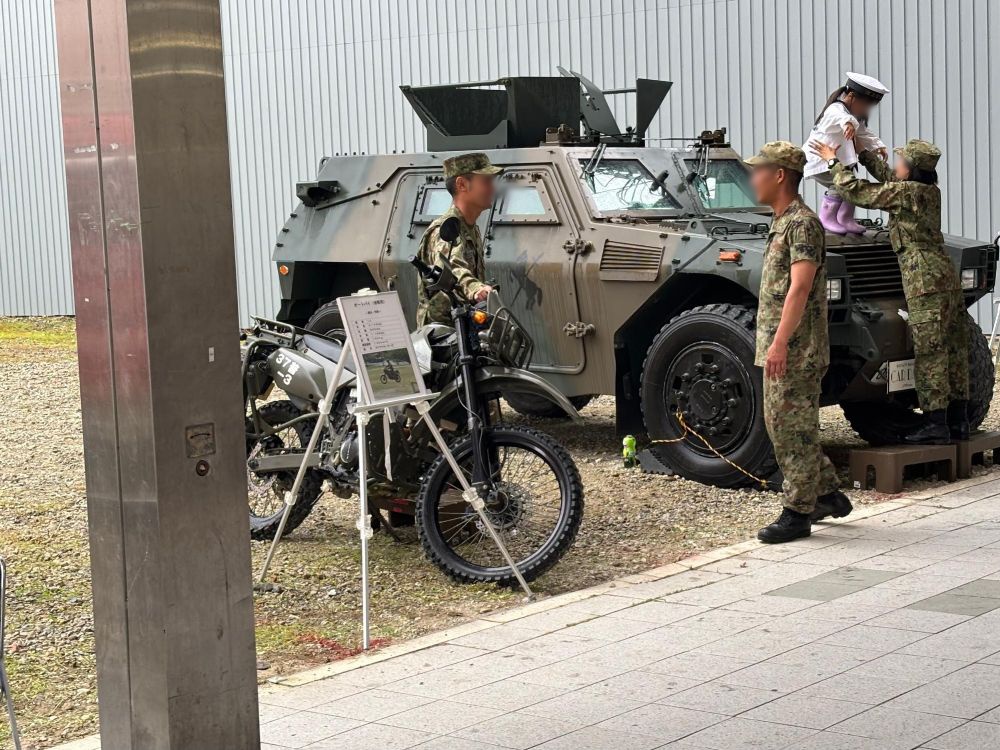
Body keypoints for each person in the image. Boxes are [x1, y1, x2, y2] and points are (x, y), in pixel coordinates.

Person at [810, 137, 969, 443]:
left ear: (909, 169)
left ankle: (935, 424)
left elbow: (858, 192)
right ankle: (958, 421)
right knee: (954, 346)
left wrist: (832, 161)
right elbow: (890, 179)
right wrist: (864, 152)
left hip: (924, 279)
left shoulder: (906, 193)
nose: (896, 165)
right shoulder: (927, 190)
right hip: (944, 275)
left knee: (931, 350)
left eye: (900, 161)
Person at [746, 141, 853, 544]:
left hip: (795, 349)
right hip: (785, 346)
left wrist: (780, 344)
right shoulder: (783, 221)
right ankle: (826, 494)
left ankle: (797, 513)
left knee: (789, 429)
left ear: (779, 176)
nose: (753, 178)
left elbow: (800, 287)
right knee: (789, 426)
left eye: (759, 170)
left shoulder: (801, 224)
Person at [415, 152, 502, 326]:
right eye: (486, 182)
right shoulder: (446, 230)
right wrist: (475, 289)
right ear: (462, 184)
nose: (493, 189)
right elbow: (452, 267)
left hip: (464, 326)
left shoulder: (471, 228)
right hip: (444, 333)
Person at [803, 72, 889, 235]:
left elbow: (863, 132)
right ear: (851, 96)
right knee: (838, 185)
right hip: (821, 160)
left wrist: (878, 146)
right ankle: (827, 217)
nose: (866, 109)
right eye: (865, 105)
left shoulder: (852, 116)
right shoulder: (835, 109)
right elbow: (840, 118)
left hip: (836, 161)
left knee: (850, 184)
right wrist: (848, 123)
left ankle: (845, 218)